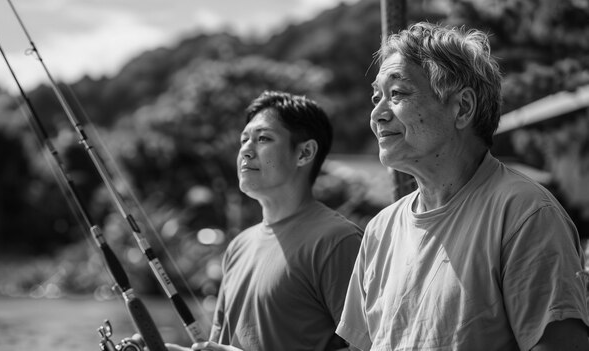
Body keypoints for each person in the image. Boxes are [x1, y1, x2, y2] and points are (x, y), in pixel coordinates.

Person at [336, 22, 589, 351]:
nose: (377, 114)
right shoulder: (380, 230)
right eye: (376, 97)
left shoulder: (524, 214)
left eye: (396, 94)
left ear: (463, 107)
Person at [167, 90, 363, 351]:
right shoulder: (239, 246)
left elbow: (369, 346)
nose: (245, 151)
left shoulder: (338, 241)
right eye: (244, 139)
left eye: (263, 138)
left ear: (305, 153)